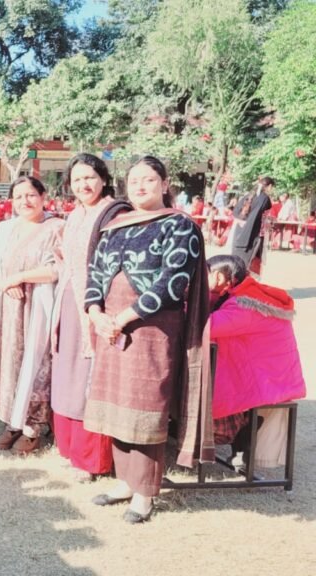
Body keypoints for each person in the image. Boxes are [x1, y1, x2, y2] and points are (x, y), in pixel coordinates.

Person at [84, 156, 210, 524]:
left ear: (165, 184)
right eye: (134, 180)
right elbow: (96, 273)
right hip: (111, 328)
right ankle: (125, 481)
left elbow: (172, 282)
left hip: (151, 328)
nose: (140, 187)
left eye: (149, 180)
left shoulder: (179, 226)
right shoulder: (115, 225)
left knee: (146, 406)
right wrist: (96, 314)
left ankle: (144, 493)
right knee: (117, 402)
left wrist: (123, 318)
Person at [0, 177, 62, 455]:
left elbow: (57, 269)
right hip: (6, 306)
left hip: (38, 305)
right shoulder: (5, 228)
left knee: (36, 362)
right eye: (19, 197)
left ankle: (34, 427)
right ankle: (11, 422)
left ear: (43, 196)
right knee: (8, 361)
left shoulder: (56, 228)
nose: (25, 202)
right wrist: (3, 284)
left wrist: (20, 278)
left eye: (31, 195)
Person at [50, 154, 119, 480]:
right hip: (69, 301)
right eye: (77, 180)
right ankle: (70, 448)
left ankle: (91, 459)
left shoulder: (115, 214)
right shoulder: (76, 214)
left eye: (89, 177)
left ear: (103, 178)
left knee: (90, 380)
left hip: (96, 305)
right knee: (69, 376)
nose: (83, 184)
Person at [207, 255, 306, 457]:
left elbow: (207, 326)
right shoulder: (252, 295)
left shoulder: (245, 305)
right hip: (273, 374)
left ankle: (241, 429)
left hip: (267, 380)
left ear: (218, 277)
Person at [231, 176, 273, 274]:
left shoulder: (248, 195)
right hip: (252, 234)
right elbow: (257, 216)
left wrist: (242, 223)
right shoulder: (264, 198)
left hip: (239, 233)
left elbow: (235, 212)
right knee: (246, 265)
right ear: (269, 186)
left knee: (235, 263)